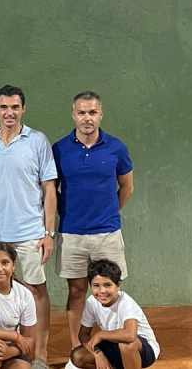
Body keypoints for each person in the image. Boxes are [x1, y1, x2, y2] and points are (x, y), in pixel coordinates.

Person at [0, 84, 57, 369]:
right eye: (4, 107)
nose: (9, 112)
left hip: (31, 234)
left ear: (23, 109)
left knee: (35, 292)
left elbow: (49, 189)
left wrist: (48, 233)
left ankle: (41, 355)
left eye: (15, 107)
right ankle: (2, 349)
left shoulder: (38, 141)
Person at [52, 91, 134, 367]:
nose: (87, 118)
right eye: (82, 113)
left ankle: (113, 350)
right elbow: (52, 191)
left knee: (109, 293)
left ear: (101, 114)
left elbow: (127, 187)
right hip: (72, 232)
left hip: (107, 233)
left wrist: (110, 213)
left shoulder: (117, 148)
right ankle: (78, 353)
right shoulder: (60, 149)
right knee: (76, 292)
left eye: (92, 112)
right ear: (73, 115)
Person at [69, 260, 159, 369]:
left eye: (107, 285)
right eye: (96, 285)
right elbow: (83, 335)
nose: (102, 291)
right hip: (114, 345)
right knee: (78, 356)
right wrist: (98, 355)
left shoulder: (126, 303)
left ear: (118, 285)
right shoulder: (92, 302)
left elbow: (130, 335)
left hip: (143, 350)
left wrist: (100, 334)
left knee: (126, 345)